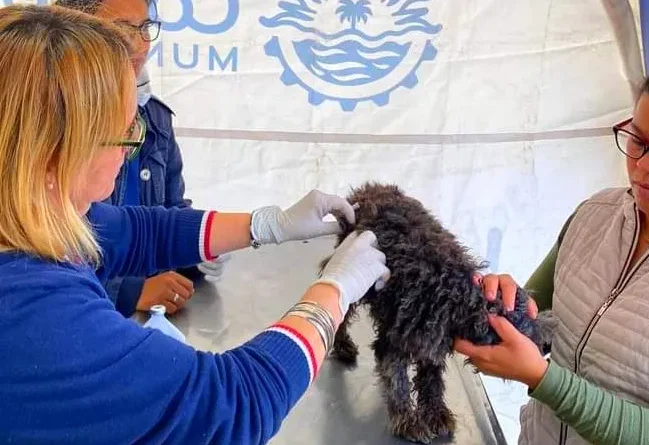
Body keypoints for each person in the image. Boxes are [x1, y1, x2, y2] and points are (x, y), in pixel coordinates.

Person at [0, 5, 390, 444]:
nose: (130, 149)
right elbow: (232, 405)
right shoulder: (37, 317)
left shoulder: (29, 213)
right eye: (124, 134)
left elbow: (138, 233)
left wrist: (269, 225)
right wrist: (332, 294)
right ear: (54, 154)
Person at [456, 53, 649, 444]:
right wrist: (505, 303)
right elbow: (538, 318)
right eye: (638, 141)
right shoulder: (596, 214)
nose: (644, 166)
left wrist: (544, 379)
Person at [56, 0, 222, 318]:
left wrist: (201, 248)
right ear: (72, 31)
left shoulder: (155, 118)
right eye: (121, 28)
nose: (139, 43)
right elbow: (42, 257)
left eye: (145, 27)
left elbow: (169, 213)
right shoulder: (45, 126)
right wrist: (129, 291)